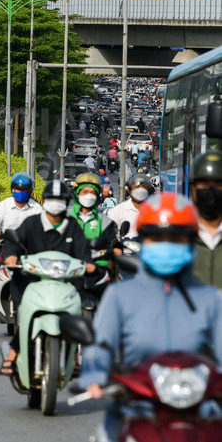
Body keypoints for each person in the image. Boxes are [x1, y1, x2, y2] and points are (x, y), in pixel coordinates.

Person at [80, 192, 222, 442]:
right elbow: (100, 345)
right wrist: (95, 375)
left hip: (200, 407)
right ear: (143, 241)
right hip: (135, 404)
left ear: (191, 243)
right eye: (157, 238)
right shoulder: (119, 296)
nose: (166, 245)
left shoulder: (210, 298)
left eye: (175, 238)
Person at [0, 180, 95, 377]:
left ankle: (75, 356)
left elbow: (83, 252)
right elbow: (13, 242)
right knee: (25, 315)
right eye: (52, 198)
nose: (56, 203)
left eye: (61, 199)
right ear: (44, 200)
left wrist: (88, 263)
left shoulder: (72, 226)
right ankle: (13, 353)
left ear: (67, 201)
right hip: (32, 281)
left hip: (65, 283)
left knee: (76, 312)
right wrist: (11, 256)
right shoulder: (32, 223)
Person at [189, 150, 222, 289]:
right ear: (193, 188)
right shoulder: (177, 236)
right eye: (204, 183)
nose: (211, 189)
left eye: (218, 183)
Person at [107, 173, 154, 238]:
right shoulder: (118, 211)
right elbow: (108, 233)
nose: (140, 190)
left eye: (143, 187)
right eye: (136, 187)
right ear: (129, 190)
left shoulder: (154, 211)